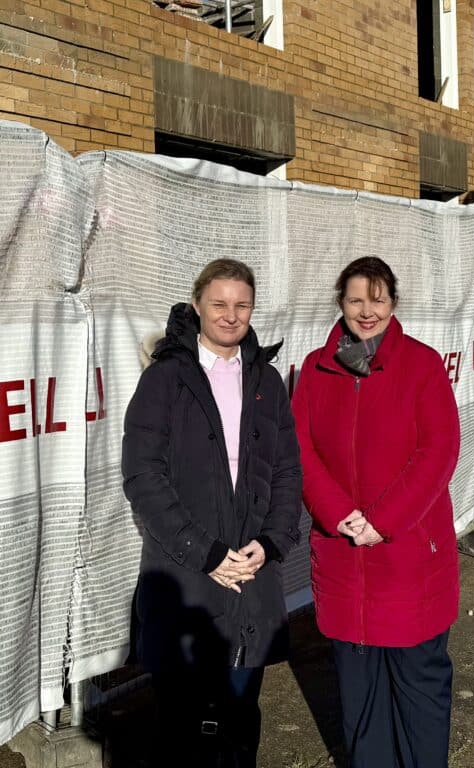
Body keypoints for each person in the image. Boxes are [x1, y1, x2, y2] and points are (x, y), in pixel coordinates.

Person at [122, 258, 302, 768]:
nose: (230, 315)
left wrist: (269, 545)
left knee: (241, 722)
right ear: (197, 304)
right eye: (219, 303)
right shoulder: (165, 379)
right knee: (184, 731)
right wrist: (206, 554)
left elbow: (288, 473)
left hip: (252, 577)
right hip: (187, 579)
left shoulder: (266, 381)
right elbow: (142, 476)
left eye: (241, 304)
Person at [291, 256, 461, 768]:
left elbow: (438, 452)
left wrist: (380, 523)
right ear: (341, 304)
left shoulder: (422, 365)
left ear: (394, 302)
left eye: (378, 298)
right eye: (356, 299)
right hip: (344, 562)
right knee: (359, 704)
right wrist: (338, 513)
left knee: (419, 694)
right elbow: (299, 449)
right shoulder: (317, 372)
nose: (367, 311)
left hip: (407, 562)